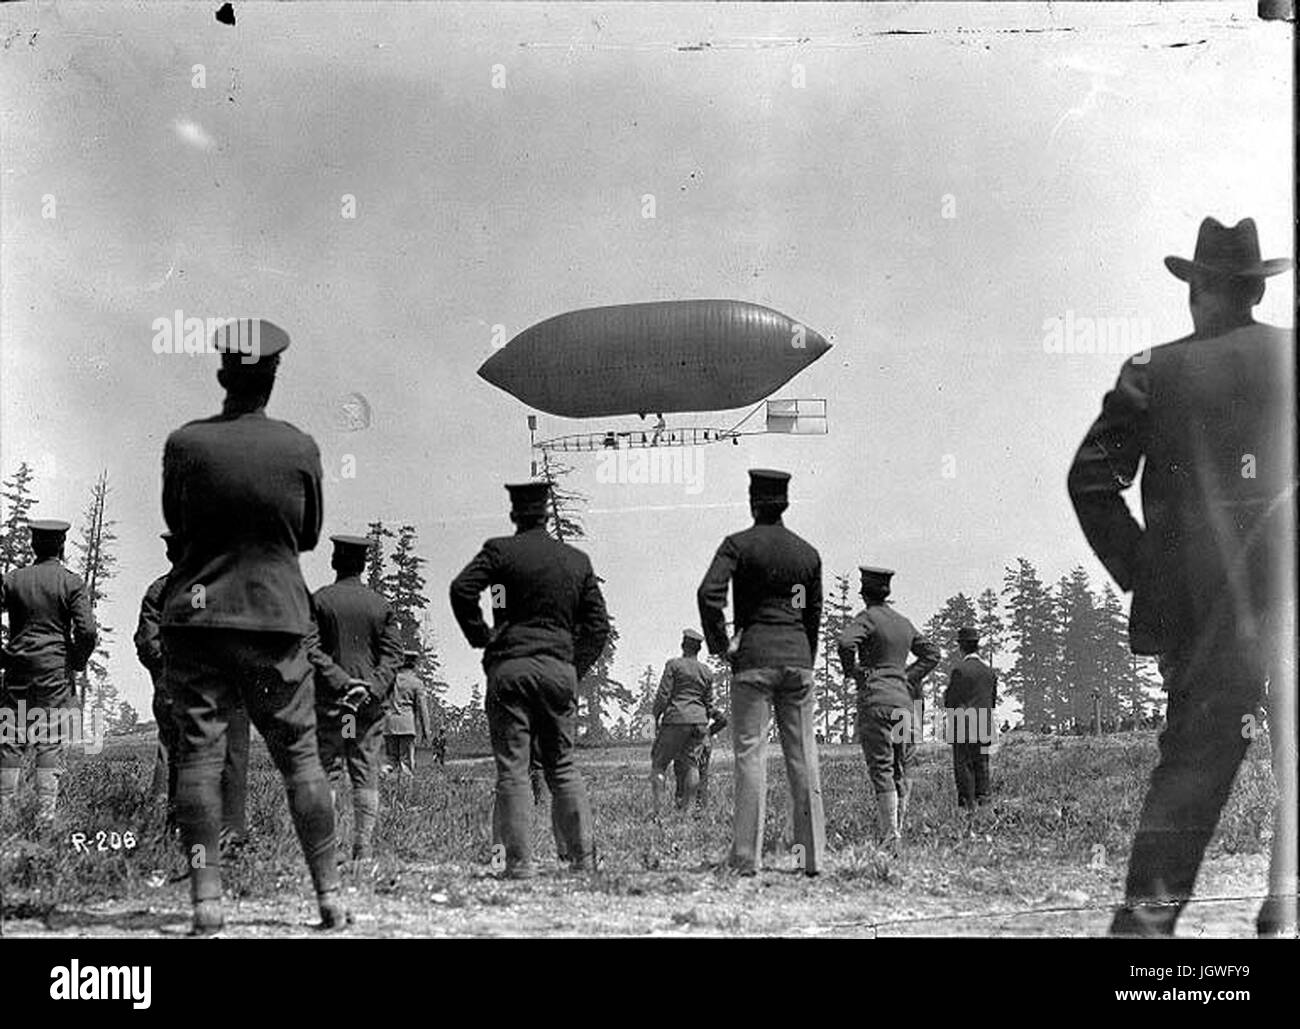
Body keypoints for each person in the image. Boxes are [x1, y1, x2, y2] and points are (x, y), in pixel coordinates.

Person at [1067, 217, 1295, 938]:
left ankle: (1144, 929)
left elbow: (1090, 480)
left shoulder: (1152, 372)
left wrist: (1145, 571)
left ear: (1196, 289)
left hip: (1202, 616)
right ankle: (1286, 905)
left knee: (1192, 771)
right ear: (1255, 291)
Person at [160, 318, 350, 934]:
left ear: (222, 373)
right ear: (273, 377)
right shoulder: (300, 447)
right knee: (301, 759)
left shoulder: (185, 445)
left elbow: (178, 525)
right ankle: (327, 897)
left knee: (198, 757)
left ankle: (206, 904)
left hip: (199, 615)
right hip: (276, 618)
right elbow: (310, 534)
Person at [450, 481, 610, 878]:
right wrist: (573, 668)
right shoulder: (576, 560)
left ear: (514, 514)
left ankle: (518, 864)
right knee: (563, 766)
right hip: (558, 671)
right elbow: (598, 626)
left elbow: (462, 588)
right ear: (545, 512)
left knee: (514, 769)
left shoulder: (500, 552)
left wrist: (481, 636)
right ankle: (582, 860)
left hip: (511, 670)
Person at [697, 468, 825, 876]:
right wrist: (805, 652)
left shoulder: (738, 546)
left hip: (752, 660)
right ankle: (812, 857)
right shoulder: (807, 554)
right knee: (803, 756)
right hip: (797, 660)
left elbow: (708, 594)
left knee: (750, 756)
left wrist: (721, 645)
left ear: (753, 501)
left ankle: (746, 858)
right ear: (785, 503)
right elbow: (811, 611)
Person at [310, 534, 404, 860]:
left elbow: (310, 648)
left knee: (329, 770)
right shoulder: (380, 605)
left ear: (335, 561)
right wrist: (370, 687)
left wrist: (340, 681)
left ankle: (328, 848)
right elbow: (394, 656)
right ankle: (363, 847)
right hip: (366, 707)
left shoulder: (320, 600)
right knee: (365, 770)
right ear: (363, 565)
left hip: (332, 703)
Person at [0, 519, 97, 825]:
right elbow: (88, 631)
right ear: (62, 546)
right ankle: (44, 818)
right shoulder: (71, 582)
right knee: (49, 738)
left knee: (11, 736)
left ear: (33, 545)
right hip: (54, 671)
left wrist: (4, 656)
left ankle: (4, 816)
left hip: (18, 668)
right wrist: (77, 660)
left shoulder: (13, 580)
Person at [838, 566, 939, 850]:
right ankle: (897, 833)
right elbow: (932, 654)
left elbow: (846, 642)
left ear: (863, 593)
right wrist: (907, 677)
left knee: (882, 767)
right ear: (887, 592)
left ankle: (889, 836)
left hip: (877, 703)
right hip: (904, 706)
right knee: (902, 766)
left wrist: (854, 672)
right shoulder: (903, 622)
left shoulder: (868, 618)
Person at [649, 629, 714, 812]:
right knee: (692, 765)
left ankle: (657, 812)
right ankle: (687, 815)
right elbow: (709, 703)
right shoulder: (706, 671)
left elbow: (663, 695)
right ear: (699, 649)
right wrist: (703, 722)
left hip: (676, 720)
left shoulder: (673, 665)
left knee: (659, 764)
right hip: (699, 722)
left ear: (683, 645)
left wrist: (654, 717)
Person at [942, 627, 998, 819]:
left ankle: (968, 807)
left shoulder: (959, 670)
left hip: (963, 725)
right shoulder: (989, 672)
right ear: (978, 646)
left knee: (964, 766)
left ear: (961, 647)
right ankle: (985, 804)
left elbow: (950, 700)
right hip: (983, 724)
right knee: (982, 764)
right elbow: (992, 701)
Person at [383, 649, 428, 779]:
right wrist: (426, 731)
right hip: (406, 726)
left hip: (389, 725)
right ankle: (405, 794)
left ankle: (383, 776)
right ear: (414, 665)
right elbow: (422, 709)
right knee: (406, 763)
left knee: (390, 759)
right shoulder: (416, 683)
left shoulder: (389, 681)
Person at [678, 704, 727, 809]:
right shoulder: (704, 705)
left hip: (688, 744)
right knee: (702, 776)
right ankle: (701, 807)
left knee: (684, 774)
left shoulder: (683, 704)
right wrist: (708, 733)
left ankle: (684, 806)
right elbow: (722, 720)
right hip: (705, 744)